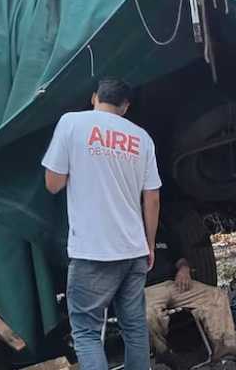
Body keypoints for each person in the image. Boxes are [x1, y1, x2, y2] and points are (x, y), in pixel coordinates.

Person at [43, 79, 162, 370]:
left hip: (93, 252)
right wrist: (149, 244)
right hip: (133, 250)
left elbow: (53, 184)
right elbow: (153, 197)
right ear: (125, 107)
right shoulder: (142, 138)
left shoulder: (72, 123)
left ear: (94, 97)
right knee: (134, 328)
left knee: (86, 331)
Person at [144, 219, 236, 367]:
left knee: (216, 296)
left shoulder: (162, 229)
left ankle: (225, 357)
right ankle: (163, 357)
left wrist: (184, 268)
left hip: (175, 284)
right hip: (146, 288)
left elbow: (179, 258)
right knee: (147, 313)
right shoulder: (129, 233)